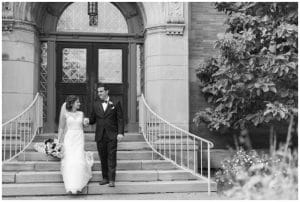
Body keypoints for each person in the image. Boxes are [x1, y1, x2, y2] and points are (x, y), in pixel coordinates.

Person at [86, 83, 124, 187]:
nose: (99, 94)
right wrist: (87, 120)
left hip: (112, 135)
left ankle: (112, 180)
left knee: (111, 157)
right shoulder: (95, 104)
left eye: (101, 91)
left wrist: (120, 133)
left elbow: (120, 119)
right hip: (100, 135)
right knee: (103, 157)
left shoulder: (116, 102)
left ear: (107, 91)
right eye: (98, 92)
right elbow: (93, 119)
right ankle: (105, 178)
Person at [58, 95, 94, 194]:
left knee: (79, 159)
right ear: (72, 103)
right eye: (77, 102)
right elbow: (61, 128)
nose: (79, 104)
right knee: (70, 160)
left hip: (79, 137)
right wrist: (59, 141)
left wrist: (86, 123)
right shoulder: (65, 114)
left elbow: (84, 126)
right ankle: (71, 184)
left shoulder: (81, 113)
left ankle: (78, 183)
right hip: (69, 138)